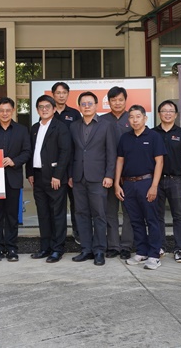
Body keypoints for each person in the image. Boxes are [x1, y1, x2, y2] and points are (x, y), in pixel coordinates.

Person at [115, 105, 166, 270]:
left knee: (152, 219)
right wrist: (117, 184)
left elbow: (159, 162)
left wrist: (154, 186)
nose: (135, 120)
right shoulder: (125, 138)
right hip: (128, 184)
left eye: (138, 116)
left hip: (147, 182)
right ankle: (141, 251)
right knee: (135, 220)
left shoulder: (154, 136)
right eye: (131, 117)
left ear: (145, 118)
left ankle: (154, 255)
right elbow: (120, 161)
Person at [69, 91, 118, 266]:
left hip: (98, 178)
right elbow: (71, 152)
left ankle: (99, 251)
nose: (87, 106)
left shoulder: (106, 125)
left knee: (99, 214)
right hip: (78, 177)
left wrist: (109, 175)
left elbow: (111, 152)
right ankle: (86, 249)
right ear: (79, 107)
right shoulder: (74, 126)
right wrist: (70, 175)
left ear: (96, 105)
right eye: (83, 104)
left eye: (90, 103)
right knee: (81, 214)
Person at [0, 97, 31, 262]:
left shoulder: (22, 130)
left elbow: (27, 152)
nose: (5, 113)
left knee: (11, 216)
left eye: (8, 110)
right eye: (1, 110)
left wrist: (13, 161)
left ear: (13, 111)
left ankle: (11, 248)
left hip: (13, 179)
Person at [27, 95, 72, 263]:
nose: (44, 109)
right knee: (43, 214)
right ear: (37, 110)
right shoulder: (34, 128)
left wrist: (57, 175)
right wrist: (30, 173)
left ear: (54, 109)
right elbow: (31, 152)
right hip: (38, 177)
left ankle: (57, 249)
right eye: (41, 107)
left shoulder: (60, 127)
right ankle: (45, 247)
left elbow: (65, 152)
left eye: (47, 107)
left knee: (57, 214)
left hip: (54, 177)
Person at [153, 100, 181, 263]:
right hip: (157, 180)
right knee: (157, 215)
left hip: (176, 180)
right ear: (159, 114)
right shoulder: (152, 133)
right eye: (164, 110)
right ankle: (160, 246)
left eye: (170, 111)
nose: (167, 113)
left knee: (178, 215)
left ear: (175, 114)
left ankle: (179, 248)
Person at [102, 86, 134, 260]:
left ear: (125, 100)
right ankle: (113, 245)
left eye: (120, 100)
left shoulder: (133, 118)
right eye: (113, 100)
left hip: (129, 174)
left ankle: (127, 245)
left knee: (129, 211)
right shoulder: (102, 120)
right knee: (110, 211)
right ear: (108, 102)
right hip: (108, 173)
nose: (117, 103)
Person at [51, 81, 81, 245]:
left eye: (64, 93)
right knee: (57, 205)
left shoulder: (75, 114)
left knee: (76, 204)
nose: (61, 96)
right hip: (54, 169)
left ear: (68, 95)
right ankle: (58, 237)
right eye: (58, 93)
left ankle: (78, 233)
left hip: (72, 166)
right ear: (53, 95)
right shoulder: (48, 113)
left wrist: (72, 172)